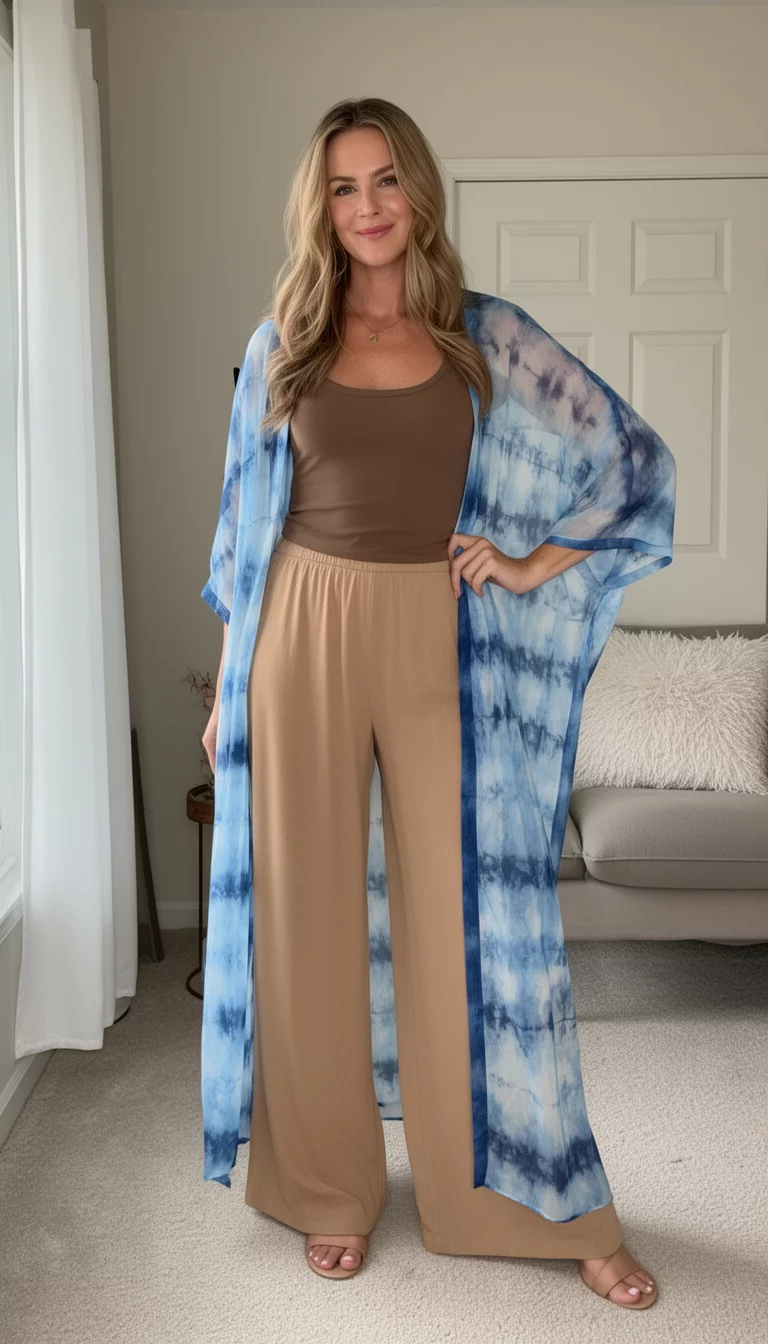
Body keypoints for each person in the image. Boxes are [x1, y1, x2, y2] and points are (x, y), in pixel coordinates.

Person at [202, 97, 672, 1310]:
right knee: (304, 923)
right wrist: (227, 683)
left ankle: (520, 1198)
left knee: (483, 922)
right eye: (344, 187)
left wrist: (523, 563)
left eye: (386, 181)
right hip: (297, 632)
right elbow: (243, 531)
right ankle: (324, 1187)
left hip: (440, 633)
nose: (367, 207)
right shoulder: (281, 345)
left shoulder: (487, 338)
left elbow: (629, 462)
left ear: (419, 193)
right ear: (323, 207)